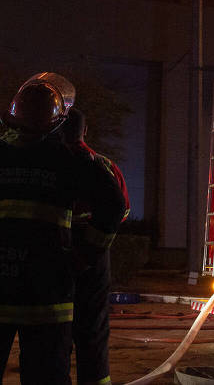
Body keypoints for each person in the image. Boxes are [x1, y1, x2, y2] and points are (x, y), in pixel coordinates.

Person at [0, 73, 126, 385]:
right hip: (46, 299)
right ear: (59, 122)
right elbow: (113, 204)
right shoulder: (70, 162)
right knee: (46, 377)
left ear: (11, 119)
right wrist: (84, 255)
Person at [61, 107, 130, 385]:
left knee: (56, 331)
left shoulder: (51, 163)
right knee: (93, 332)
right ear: (85, 131)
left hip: (56, 252)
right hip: (95, 256)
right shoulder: (104, 165)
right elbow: (121, 210)